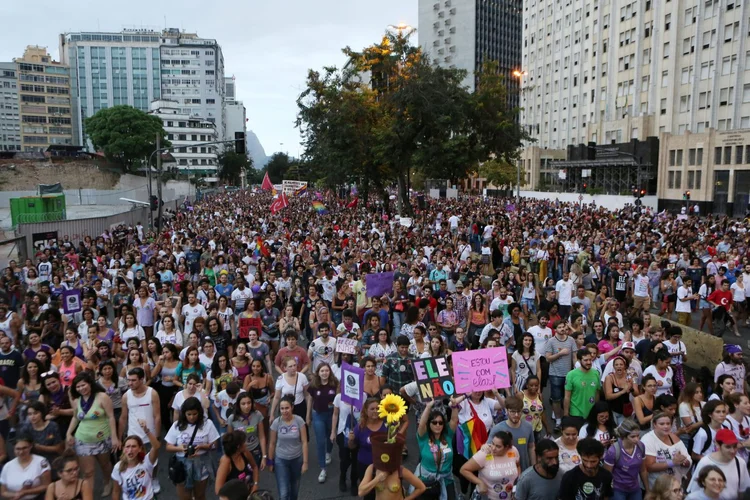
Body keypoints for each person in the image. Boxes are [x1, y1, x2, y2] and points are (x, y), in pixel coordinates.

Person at [65, 372, 119, 497]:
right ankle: (87, 495)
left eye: (83, 385)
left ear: (90, 384)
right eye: (78, 387)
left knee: (105, 464)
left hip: (102, 438)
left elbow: (111, 417)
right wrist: (69, 433)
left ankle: (107, 481)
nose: (81, 389)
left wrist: (114, 437)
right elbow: (75, 417)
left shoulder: (102, 397)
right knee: (88, 472)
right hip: (82, 439)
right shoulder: (77, 400)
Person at [165, 396, 220, 500]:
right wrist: (180, 448)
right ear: (184, 413)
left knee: (200, 495)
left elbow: (215, 445)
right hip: (182, 464)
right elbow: (168, 446)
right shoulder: (177, 425)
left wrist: (205, 447)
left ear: (199, 412)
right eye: (188, 414)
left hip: (202, 463)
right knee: (184, 497)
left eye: (194, 414)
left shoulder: (208, 424)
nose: (191, 417)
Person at [687, 428, 750, 499]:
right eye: (728, 447)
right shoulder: (705, 462)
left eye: (735, 447)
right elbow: (694, 491)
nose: (732, 451)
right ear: (717, 445)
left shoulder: (740, 463)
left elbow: (743, 491)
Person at [416, 399, 459, 500]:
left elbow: (454, 420)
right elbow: (422, 424)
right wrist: (428, 407)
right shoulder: (423, 437)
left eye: (440, 423)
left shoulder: (447, 435)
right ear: (429, 424)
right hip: (426, 480)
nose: (438, 425)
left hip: (446, 479)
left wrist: (454, 405)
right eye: (434, 422)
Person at [459, 430, 521, 500]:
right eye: (492, 443)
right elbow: (464, 469)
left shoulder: (513, 451)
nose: (493, 448)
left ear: (506, 447)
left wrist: (518, 483)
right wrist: (480, 482)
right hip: (487, 497)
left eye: (498, 446)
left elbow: (518, 465)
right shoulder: (485, 454)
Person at [268, 394, 308, 500]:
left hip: (297, 459)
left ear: (292, 407)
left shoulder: (299, 421)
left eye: (287, 408)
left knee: (294, 490)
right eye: (282, 408)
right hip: (281, 460)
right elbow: (272, 443)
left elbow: (304, 442)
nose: (284, 411)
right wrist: (270, 462)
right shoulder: (276, 423)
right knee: (284, 493)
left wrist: (305, 462)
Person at [111, 419, 161, 500]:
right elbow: (116, 491)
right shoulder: (118, 467)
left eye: (134, 446)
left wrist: (146, 430)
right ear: (123, 449)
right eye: (127, 447)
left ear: (140, 449)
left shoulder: (146, 462)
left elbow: (156, 446)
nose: (130, 450)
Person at [305, 362, 338, 483]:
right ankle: (323, 468)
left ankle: (328, 452)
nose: (324, 373)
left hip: (331, 415)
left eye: (327, 370)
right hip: (318, 415)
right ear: (318, 372)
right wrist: (308, 415)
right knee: (320, 442)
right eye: (322, 371)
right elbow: (310, 399)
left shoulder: (335, 384)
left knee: (330, 437)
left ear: (330, 372)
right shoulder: (314, 384)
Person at [642, 411, 692, 488]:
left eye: (668, 424)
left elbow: (687, 458)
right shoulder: (647, 439)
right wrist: (672, 462)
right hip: (658, 486)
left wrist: (685, 462)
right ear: (654, 424)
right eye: (662, 424)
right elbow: (649, 467)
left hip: (675, 484)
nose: (666, 426)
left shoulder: (674, 437)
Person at [603, 419, 649, 500]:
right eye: (633, 437)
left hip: (635, 489)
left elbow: (643, 470)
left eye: (638, 436)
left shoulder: (641, 446)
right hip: (618, 490)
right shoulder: (613, 451)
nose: (637, 439)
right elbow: (607, 475)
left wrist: (648, 490)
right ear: (623, 436)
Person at [487, 396, 536, 471]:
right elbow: (488, 448)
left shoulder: (528, 426)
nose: (516, 415)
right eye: (513, 411)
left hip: (524, 470)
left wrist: (534, 468)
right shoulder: (497, 429)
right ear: (506, 411)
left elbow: (531, 447)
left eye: (519, 411)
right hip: (504, 472)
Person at [545, 321, 577, 432]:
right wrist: (560, 353)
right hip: (555, 374)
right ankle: (558, 420)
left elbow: (574, 357)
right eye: (560, 327)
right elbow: (548, 358)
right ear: (555, 329)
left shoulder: (571, 340)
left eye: (564, 326)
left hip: (569, 374)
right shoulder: (551, 341)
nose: (562, 328)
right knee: (556, 399)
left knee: (568, 398)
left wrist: (576, 369)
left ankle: (566, 419)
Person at [0, 433, 52, 500]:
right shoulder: (7, 466)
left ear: (30, 446)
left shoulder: (41, 462)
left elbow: (46, 485)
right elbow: (3, 491)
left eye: (24, 448)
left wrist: (25, 492)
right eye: (18, 449)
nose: (21, 452)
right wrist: (16, 495)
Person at [215, 430, 260, 496]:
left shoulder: (245, 453)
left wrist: (255, 484)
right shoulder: (226, 462)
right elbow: (218, 490)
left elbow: (255, 467)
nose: (246, 444)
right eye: (244, 442)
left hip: (249, 494)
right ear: (238, 446)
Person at [564, 349, 601, 426]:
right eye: (585, 360)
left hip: (591, 413)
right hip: (576, 413)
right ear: (579, 360)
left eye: (590, 360)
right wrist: (566, 414)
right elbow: (567, 396)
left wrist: (597, 410)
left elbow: (597, 393)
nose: (588, 362)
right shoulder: (571, 375)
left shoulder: (596, 373)